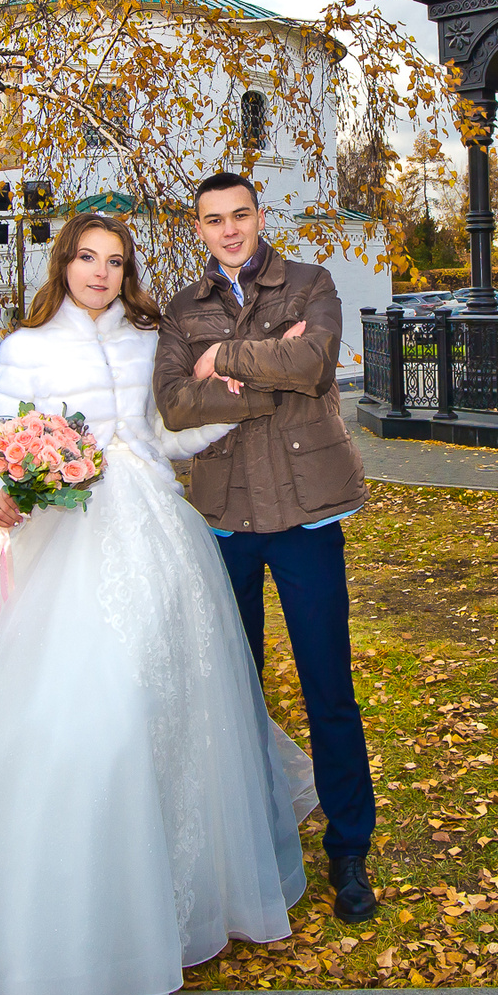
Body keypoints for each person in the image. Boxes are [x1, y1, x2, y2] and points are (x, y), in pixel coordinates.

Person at [0, 212, 314, 995]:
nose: (100, 272)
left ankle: (153, 904)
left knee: (153, 711)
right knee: (72, 717)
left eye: (114, 261)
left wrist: (238, 399)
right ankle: (52, 913)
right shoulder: (28, 347)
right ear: (64, 263)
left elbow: (168, 433)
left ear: (127, 272)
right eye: (87, 257)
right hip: (60, 539)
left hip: (153, 540)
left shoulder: (151, 340)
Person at [157, 172, 380, 925]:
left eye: (240, 214)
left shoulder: (311, 282)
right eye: (213, 219)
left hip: (307, 517)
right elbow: (174, 405)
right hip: (226, 522)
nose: (229, 230)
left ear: (260, 216)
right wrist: (266, 369)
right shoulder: (181, 309)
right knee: (235, 691)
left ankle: (349, 848)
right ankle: (250, 837)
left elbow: (314, 364)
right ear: (198, 228)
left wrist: (221, 358)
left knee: (329, 688)